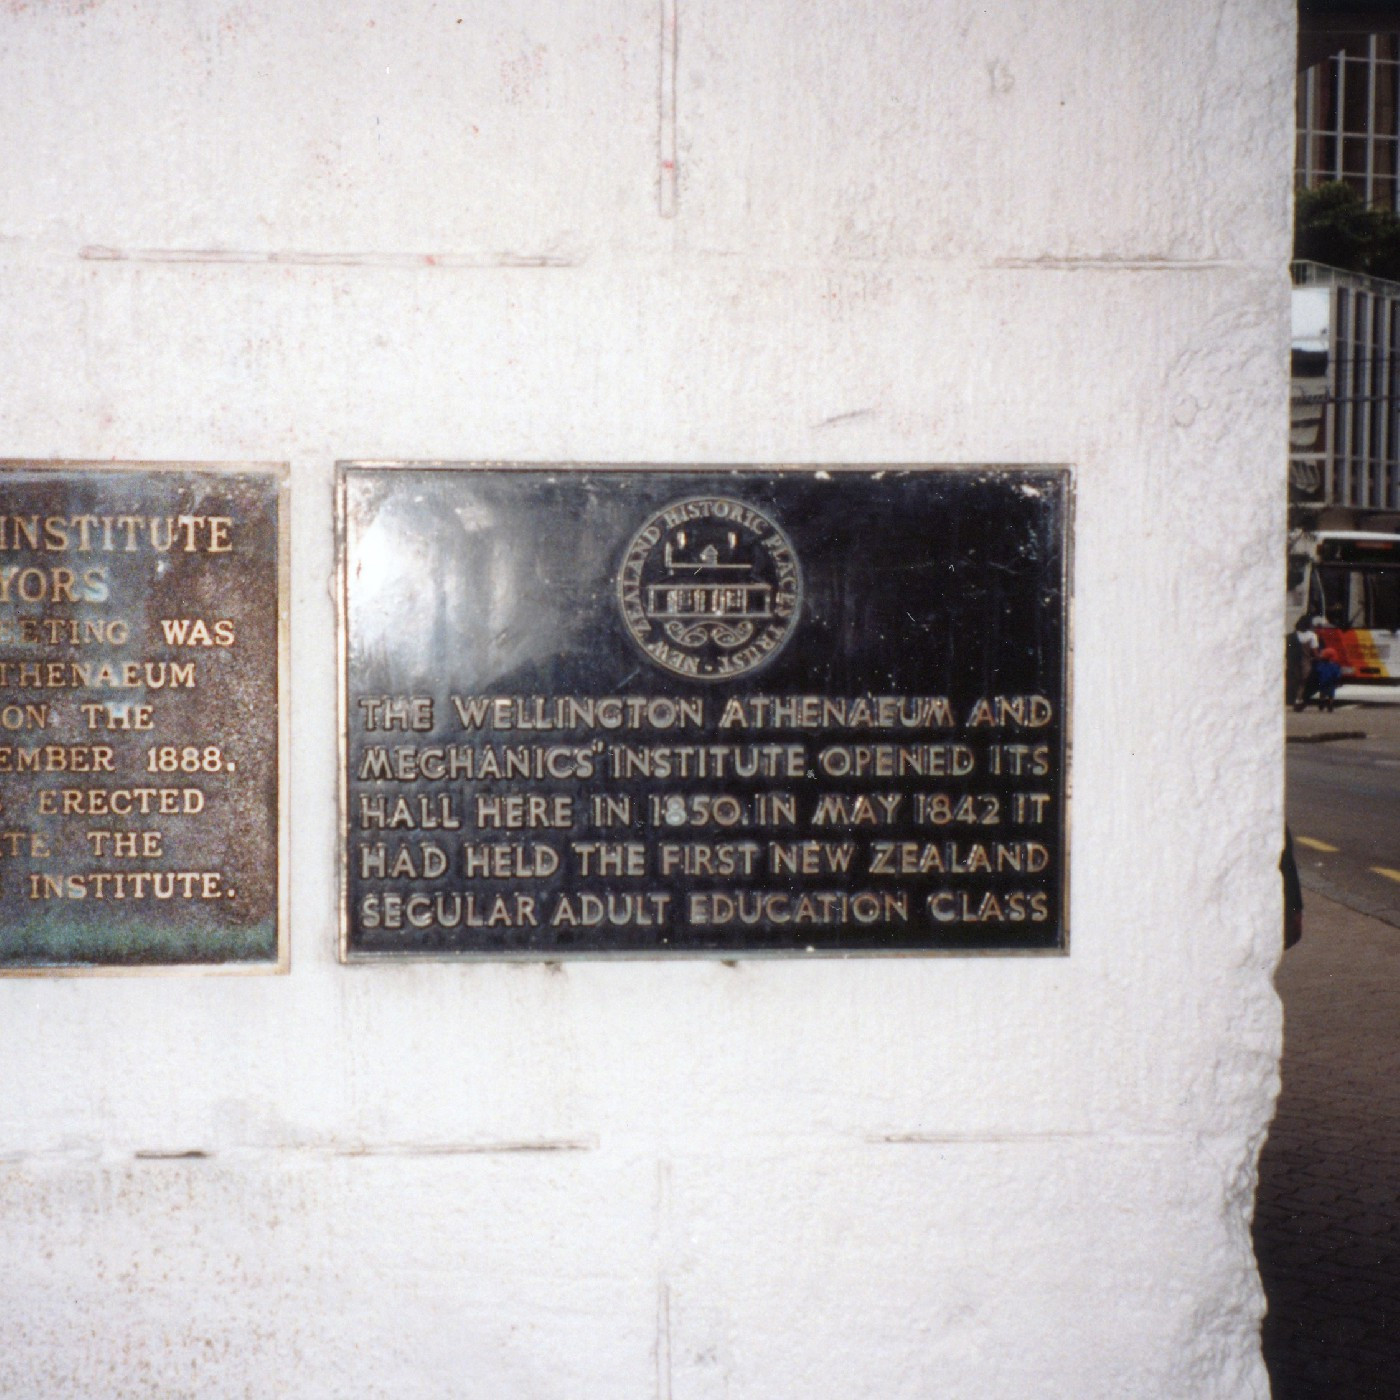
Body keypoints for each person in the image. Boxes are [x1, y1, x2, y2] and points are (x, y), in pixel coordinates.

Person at [1292, 614, 1322, 710]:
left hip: (1294, 661)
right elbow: (1315, 653)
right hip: (1306, 662)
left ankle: (1297, 699)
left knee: (1297, 682)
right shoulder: (1312, 636)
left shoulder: (1294, 635)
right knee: (1304, 682)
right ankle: (1299, 700)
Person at [1314, 646, 1342, 712]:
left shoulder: (1321, 665)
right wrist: (1338, 681)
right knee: (1331, 693)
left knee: (1322, 692)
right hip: (1331, 681)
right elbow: (1337, 674)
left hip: (1322, 680)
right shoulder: (1335, 665)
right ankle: (1330, 704)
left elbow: (1318, 671)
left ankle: (1321, 703)